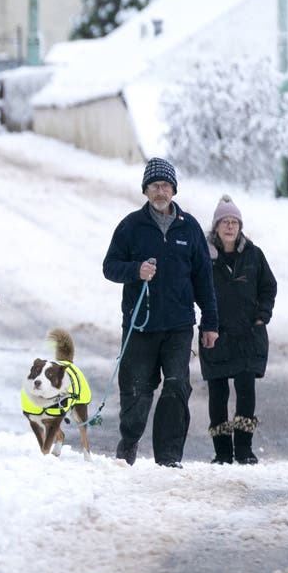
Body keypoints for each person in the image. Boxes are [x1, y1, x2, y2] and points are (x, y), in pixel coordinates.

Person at [102, 157, 219, 468]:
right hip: (140, 326)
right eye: (154, 186)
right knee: (137, 393)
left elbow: (204, 279)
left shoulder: (189, 228)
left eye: (165, 186)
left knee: (177, 385)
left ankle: (168, 458)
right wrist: (135, 270)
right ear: (146, 190)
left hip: (179, 325)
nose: (160, 191)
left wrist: (211, 323)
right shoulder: (130, 227)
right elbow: (109, 268)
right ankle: (129, 440)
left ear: (173, 190)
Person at [200, 195, 277, 465]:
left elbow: (269, 287)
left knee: (246, 391)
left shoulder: (254, 255)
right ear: (216, 226)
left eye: (234, 222)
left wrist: (261, 319)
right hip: (216, 334)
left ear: (240, 226)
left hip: (248, 335)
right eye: (225, 222)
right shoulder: (204, 256)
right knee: (218, 394)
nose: (230, 227)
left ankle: (244, 449)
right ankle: (222, 452)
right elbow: (192, 288)